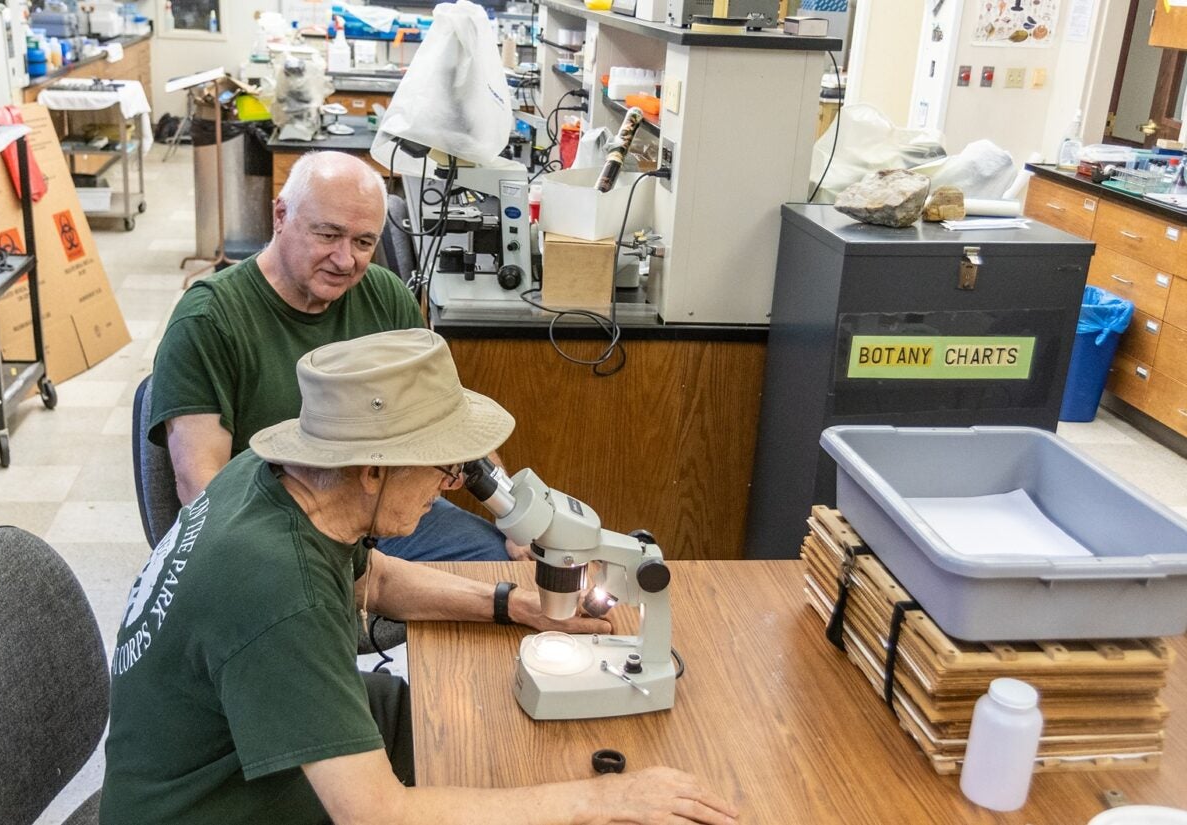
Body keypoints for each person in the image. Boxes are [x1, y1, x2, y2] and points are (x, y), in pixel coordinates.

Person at [102, 329, 738, 825]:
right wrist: (606, 801)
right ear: (373, 470)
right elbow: (380, 814)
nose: (450, 488)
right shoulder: (278, 595)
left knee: (483, 737)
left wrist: (509, 603)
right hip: (215, 809)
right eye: (442, 470)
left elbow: (369, 578)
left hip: (246, 757)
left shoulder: (270, 476)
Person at [149, 151, 516, 562]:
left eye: (363, 242)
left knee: (500, 563)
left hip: (388, 511)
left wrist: (515, 514)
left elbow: (450, 422)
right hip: (279, 527)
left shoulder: (385, 295)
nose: (346, 260)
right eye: (327, 235)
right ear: (281, 216)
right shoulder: (208, 320)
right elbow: (202, 490)